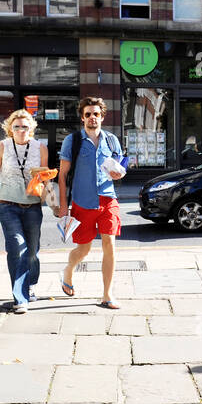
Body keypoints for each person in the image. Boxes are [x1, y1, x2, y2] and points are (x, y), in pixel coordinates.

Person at [55, 97, 124, 309]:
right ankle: (68, 270)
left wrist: (118, 175)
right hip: (82, 202)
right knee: (83, 249)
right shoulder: (72, 141)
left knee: (109, 244)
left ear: (102, 117)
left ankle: (107, 294)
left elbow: (120, 169)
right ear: (82, 117)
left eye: (96, 114)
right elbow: (63, 175)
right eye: (88, 114)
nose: (92, 118)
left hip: (107, 199)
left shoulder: (111, 140)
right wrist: (64, 206)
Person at [0, 109, 48, 313]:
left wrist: (51, 196)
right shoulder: (1, 147)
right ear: (10, 128)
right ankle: (20, 297)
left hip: (33, 206)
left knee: (32, 251)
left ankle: (30, 283)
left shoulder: (40, 148)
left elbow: (44, 177)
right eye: (16, 126)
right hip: (8, 205)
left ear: (31, 128)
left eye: (25, 126)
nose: (21, 130)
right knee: (18, 247)